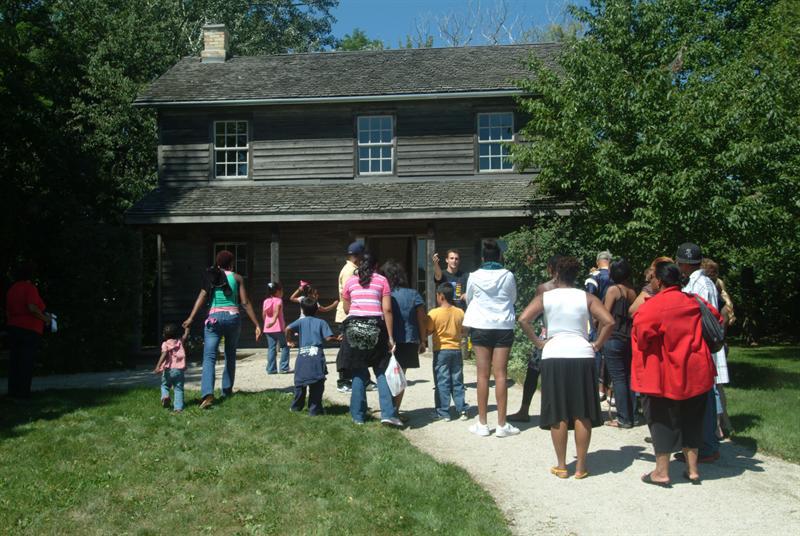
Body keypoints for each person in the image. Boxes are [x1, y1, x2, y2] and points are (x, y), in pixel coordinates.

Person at [519, 256, 614, 479]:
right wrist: (597, 344)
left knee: (558, 411)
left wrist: (539, 342)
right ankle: (581, 466)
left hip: (554, 353)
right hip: (582, 353)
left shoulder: (546, 296)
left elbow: (524, 319)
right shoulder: (586, 297)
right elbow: (609, 321)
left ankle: (562, 465)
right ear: (575, 275)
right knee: (582, 412)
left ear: (556, 273)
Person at [632, 262, 721, 486]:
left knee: (661, 420)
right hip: (697, 371)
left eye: (652, 277)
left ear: (659, 282)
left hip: (666, 374)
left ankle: (661, 472)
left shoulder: (652, 306)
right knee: (692, 419)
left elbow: (642, 338)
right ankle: (692, 470)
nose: (650, 281)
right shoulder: (694, 301)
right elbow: (717, 320)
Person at [184, 250, 261, 409]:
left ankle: (208, 394)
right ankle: (227, 391)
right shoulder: (238, 278)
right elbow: (245, 303)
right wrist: (257, 324)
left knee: (209, 356)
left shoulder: (211, 276)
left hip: (214, 319)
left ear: (217, 263)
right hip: (233, 317)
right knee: (230, 354)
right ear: (231, 264)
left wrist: (191, 318)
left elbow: (202, 297)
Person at [463, 239, 519, 438]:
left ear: (483, 258)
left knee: (482, 375)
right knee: (501, 375)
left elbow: (470, 299)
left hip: (481, 326)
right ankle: (503, 425)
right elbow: (513, 299)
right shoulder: (508, 275)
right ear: (500, 257)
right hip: (503, 325)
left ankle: (483, 423)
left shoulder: (474, 276)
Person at [676, 242, 726, 464]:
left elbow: (695, 315)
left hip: (700, 345)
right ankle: (703, 444)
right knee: (704, 395)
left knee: (703, 397)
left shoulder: (697, 284)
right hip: (704, 344)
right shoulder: (705, 281)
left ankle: (706, 446)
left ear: (683, 264)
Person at [340, 251, 400, 427]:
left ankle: (358, 416)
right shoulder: (382, 281)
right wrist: (390, 337)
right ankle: (388, 413)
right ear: (376, 266)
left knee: (358, 371)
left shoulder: (351, 281)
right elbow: (387, 310)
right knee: (381, 370)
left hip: (354, 327)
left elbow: (345, 308)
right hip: (376, 326)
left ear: (359, 264)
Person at [508, 254, 560, 423]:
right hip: (568, 336)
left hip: (547, 335)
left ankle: (524, 410)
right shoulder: (573, 288)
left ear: (550, 268)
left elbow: (532, 314)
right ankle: (560, 411)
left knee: (533, 372)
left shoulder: (544, 288)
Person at [381, 260, 426, 417]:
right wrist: (423, 340)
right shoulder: (414, 294)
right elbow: (421, 319)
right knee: (400, 376)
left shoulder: (385, 295)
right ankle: (395, 411)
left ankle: (388, 410)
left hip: (388, 340)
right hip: (408, 339)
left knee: (386, 376)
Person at [285, 297, 339, 416]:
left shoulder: (300, 321)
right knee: (317, 383)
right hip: (316, 356)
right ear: (316, 310)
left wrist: (289, 341)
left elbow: (288, 328)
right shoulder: (321, 322)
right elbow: (328, 338)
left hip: (302, 356)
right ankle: (314, 409)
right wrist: (337, 339)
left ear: (302, 310)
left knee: (300, 383)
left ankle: (296, 407)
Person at [5, 260, 51, 399]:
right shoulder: (29, 288)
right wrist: (46, 319)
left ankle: (12, 392)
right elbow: (32, 307)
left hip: (13, 327)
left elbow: (8, 311)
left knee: (15, 362)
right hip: (29, 329)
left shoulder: (12, 289)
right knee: (26, 361)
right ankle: (23, 394)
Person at [602, 259, 637, 428]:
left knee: (618, 378)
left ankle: (623, 417)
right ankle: (632, 413)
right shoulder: (633, 292)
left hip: (614, 337)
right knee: (629, 377)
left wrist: (598, 336)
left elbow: (605, 315)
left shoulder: (613, 291)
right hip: (629, 338)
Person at [426, 284, 469, 421]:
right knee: (457, 380)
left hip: (441, 351)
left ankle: (443, 411)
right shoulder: (460, 312)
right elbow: (464, 331)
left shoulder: (433, 313)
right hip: (456, 350)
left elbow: (428, 330)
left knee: (442, 381)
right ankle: (462, 409)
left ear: (441, 296)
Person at [335, 241, 364, 393]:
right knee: (346, 349)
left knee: (356, 347)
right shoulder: (349, 271)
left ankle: (362, 378)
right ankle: (343, 380)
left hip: (352, 313)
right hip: (347, 314)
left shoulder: (353, 269)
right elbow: (348, 294)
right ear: (357, 256)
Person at [586, 250, 613, 399]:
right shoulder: (617, 276)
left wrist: (593, 321)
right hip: (616, 323)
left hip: (598, 322)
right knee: (611, 357)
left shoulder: (594, 277)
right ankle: (611, 393)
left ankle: (597, 390)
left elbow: (589, 300)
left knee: (596, 353)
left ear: (598, 261)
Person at [153, 323, 190, 412]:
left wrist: (158, 366)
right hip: (179, 371)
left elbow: (164, 354)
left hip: (168, 370)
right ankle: (178, 408)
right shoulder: (179, 342)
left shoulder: (165, 344)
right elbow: (185, 336)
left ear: (165, 335)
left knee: (165, 385)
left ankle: (165, 396)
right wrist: (187, 328)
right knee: (178, 389)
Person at [263, 282, 290, 374]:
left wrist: (266, 323)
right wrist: (274, 320)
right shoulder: (279, 300)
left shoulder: (266, 301)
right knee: (285, 346)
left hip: (268, 328)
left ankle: (271, 369)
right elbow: (277, 310)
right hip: (278, 327)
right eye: (281, 290)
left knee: (271, 348)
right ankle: (283, 367)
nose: (282, 292)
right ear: (278, 291)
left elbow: (263, 314)